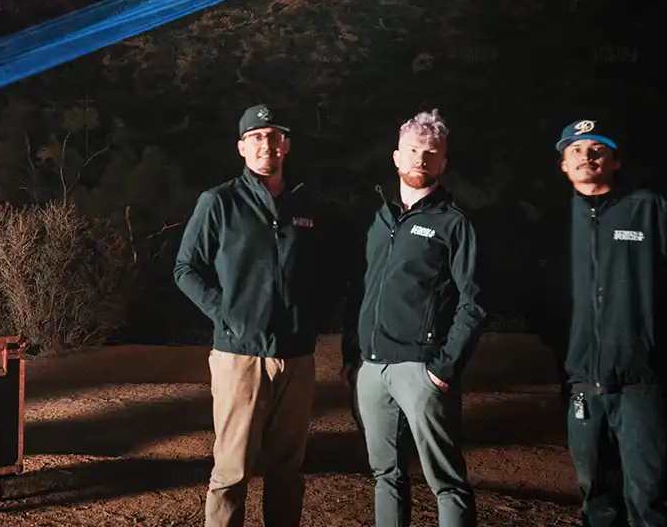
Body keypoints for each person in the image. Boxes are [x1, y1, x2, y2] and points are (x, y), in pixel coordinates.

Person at [174, 103, 341, 527]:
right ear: (242, 148)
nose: (265, 143)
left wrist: (313, 319)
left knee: (288, 470)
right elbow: (185, 269)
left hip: (297, 357)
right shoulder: (219, 202)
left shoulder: (309, 205)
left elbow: (326, 272)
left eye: (273, 136)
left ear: (285, 145)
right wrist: (225, 314)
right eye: (256, 137)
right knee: (232, 471)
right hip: (239, 356)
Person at [342, 108, 487, 527]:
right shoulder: (378, 220)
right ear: (396, 157)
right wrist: (353, 357)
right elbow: (362, 290)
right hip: (371, 368)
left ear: (442, 162)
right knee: (385, 475)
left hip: (422, 371)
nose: (420, 159)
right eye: (412, 151)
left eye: (431, 152)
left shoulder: (453, 225)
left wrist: (444, 367)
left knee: (445, 480)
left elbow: (474, 302)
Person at [546, 118, 667, 527]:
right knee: (597, 497)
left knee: (649, 497)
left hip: (641, 384)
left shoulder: (647, 209)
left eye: (598, 148)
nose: (587, 155)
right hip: (582, 384)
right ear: (564, 164)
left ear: (615, 161)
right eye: (576, 149)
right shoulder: (555, 224)